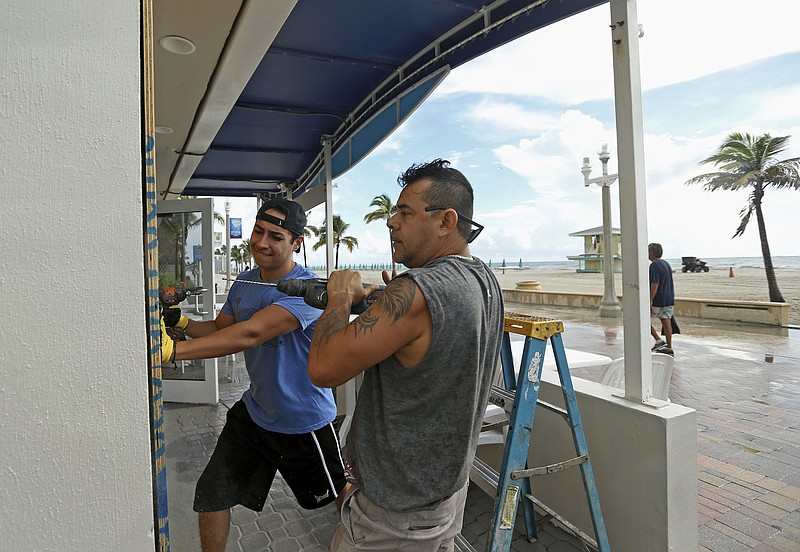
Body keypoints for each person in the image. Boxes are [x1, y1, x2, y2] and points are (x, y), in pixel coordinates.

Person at [307, 159, 504, 551]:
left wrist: (341, 298)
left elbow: (323, 368)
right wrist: (388, 301)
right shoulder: (484, 279)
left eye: (405, 211)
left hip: (395, 515)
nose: (391, 221)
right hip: (444, 492)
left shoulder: (415, 291)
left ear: (446, 221)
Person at [160, 198, 347, 552]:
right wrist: (182, 324)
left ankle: (369, 541)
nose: (262, 242)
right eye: (258, 231)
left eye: (276, 236)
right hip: (256, 412)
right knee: (212, 494)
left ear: (296, 243)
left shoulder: (310, 291)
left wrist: (170, 352)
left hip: (301, 420)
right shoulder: (246, 282)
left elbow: (250, 334)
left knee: (339, 497)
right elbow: (220, 328)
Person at [648, 242, 675, 355]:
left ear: (652, 252)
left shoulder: (654, 265)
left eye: (648, 251)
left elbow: (655, 283)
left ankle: (658, 340)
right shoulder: (666, 264)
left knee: (641, 319)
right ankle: (669, 346)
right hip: (668, 298)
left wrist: (650, 299)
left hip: (658, 299)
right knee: (666, 321)